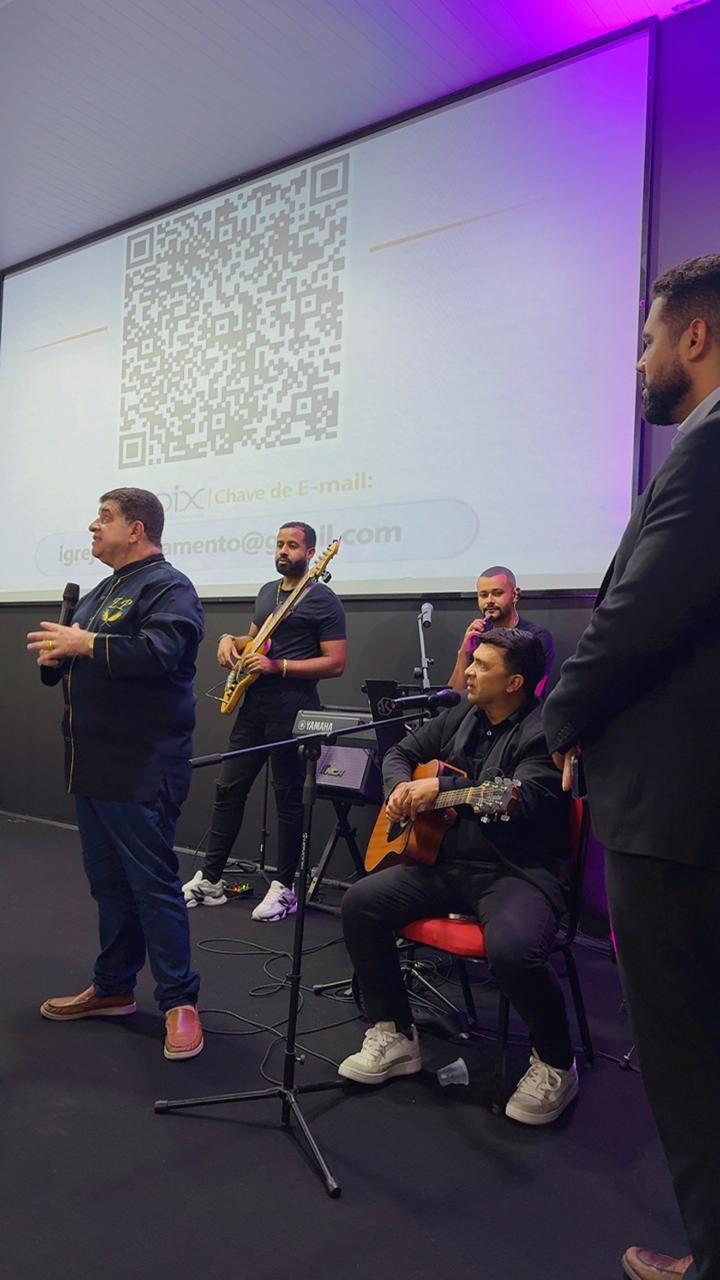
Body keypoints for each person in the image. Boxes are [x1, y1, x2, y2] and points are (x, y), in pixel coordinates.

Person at [542, 255, 720, 1280]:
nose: (641, 362)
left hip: (675, 810)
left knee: (689, 1055)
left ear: (696, 335)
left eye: (649, 340)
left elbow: (636, 618)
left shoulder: (709, 450)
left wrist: (561, 717)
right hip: (689, 803)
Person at [340, 628, 577, 1125]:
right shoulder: (461, 715)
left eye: (481, 665)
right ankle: (396, 1033)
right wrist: (401, 790)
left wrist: (441, 788)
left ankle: (557, 1062)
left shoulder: (543, 733)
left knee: (513, 949)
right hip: (448, 866)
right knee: (361, 903)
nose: (467, 672)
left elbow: (518, 797)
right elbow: (399, 752)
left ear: (514, 682)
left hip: (516, 873)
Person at [27, 487, 205, 1060]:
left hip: (141, 766)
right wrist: (57, 657)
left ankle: (180, 1001)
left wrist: (86, 643)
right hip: (91, 766)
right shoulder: (99, 592)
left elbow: (162, 654)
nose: (92, 526)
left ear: (137, 529)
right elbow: (78, 661)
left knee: (153, 886)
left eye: (104, 517)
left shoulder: (169, 587)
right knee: (108, 886)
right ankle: (113, 988)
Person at [183, 521, 346, 921]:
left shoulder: (323, 599)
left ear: (311, 554)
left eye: (292, 545)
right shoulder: (267, 592)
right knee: (228, 789)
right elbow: (255, 639)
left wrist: (279, 666)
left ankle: (285, 888)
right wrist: (228, 640)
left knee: (288, 798)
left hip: (294, 710)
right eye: (279, 544)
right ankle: (211, 879)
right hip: (253, 708)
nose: (283, 551)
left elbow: (335, 663)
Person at [446, 566, 554, 694]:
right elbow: (452, 698)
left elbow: (535, 693)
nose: (489, 601)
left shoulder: (536, 636)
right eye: (483, 595)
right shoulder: (477, 636)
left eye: (497, 593)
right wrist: (464, 653)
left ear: (515, 595)